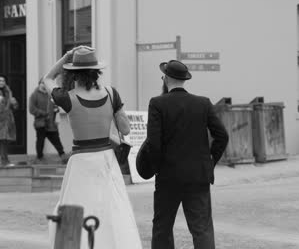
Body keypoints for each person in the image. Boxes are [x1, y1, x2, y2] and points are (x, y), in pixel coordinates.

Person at [44, 46, 142, 249]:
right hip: (106, 159)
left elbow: (47, 77)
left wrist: (65, 57)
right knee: (112, 208)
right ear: (96, 71)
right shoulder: (111, 93)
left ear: (72, 73)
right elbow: (125, 128)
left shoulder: (67, 98)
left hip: (80, 161)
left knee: (75, 206)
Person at [146, 60, 229, 249]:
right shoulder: (203, 103)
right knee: (202, 229)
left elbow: (154, 143)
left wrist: (157, 167)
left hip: (168, 176)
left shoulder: (157, 103)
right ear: (184, 80)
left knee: (162, 228)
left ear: (166, 78)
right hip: (198, 175)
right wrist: (210, 160)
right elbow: (222, 136)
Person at [29, 79, 66, 164]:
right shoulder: (34, 95)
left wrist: (56, 109)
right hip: (40, 123)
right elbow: (32, 109)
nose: (43, 85)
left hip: (51, 123)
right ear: (39, 84)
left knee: (56, 140)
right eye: (42, 83)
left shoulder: (51, 95)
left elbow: (56, 105)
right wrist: (43, 113)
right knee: (40, 141)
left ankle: (63, 156)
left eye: (45, 83)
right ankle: (39, 158)